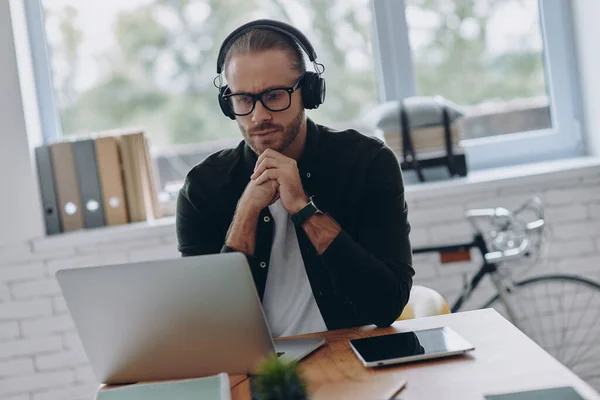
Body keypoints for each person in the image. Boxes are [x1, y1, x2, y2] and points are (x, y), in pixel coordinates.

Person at [176, 19, 414, 337]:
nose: (258, 117)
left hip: (352, 361)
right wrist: (245, 213)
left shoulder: (368, 163)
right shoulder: (201, 189)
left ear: (309, 92)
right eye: (243, 100)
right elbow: (208, 329)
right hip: (258, 374)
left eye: (274, 96)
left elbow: (386, 305)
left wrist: (304, 209)